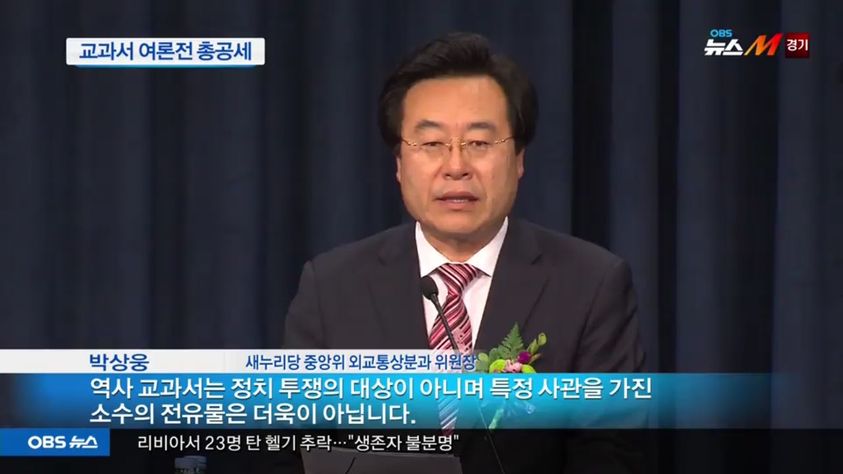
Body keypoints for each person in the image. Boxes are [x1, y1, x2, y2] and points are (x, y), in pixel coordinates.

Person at [283, 31, 646, 473]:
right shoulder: (331, 288)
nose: (456, 167)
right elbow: (290, 452)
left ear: (518, 159)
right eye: (431, 144)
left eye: (479, 143)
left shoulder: (591, 285)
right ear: (399, 164)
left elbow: (612, 456)